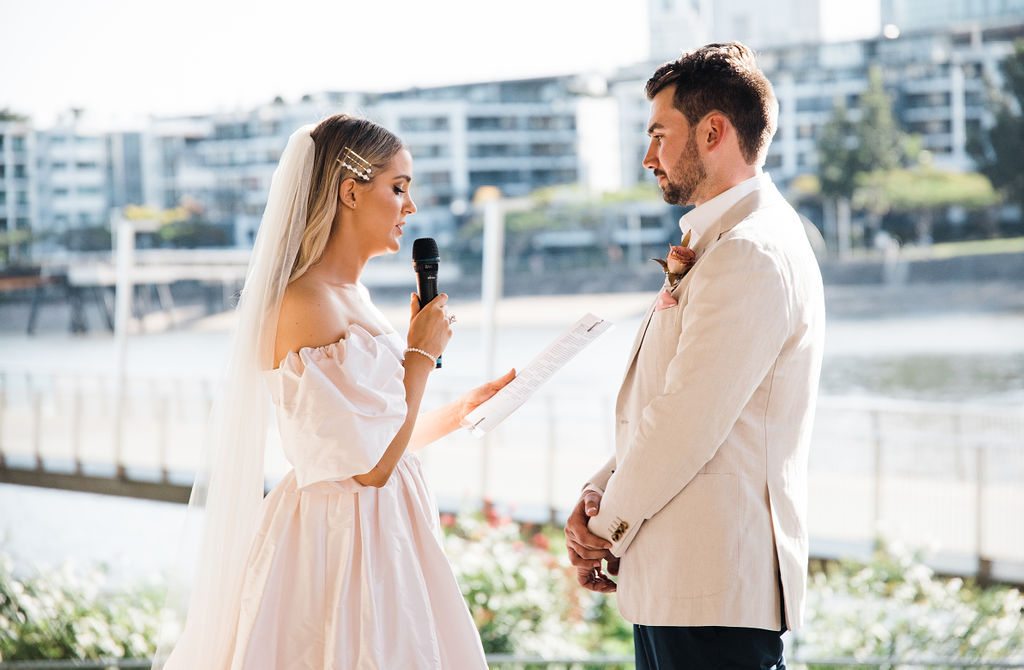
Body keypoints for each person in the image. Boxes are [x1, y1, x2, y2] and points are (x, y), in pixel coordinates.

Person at [156, 114, 514, 670]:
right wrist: (418, 354)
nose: (410, 208)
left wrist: (462, 410)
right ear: (351, 191)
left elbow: (382, 438)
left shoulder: (355, 295)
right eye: (399, 188)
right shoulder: (305, 303)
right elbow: (367, 466)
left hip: (390, 530)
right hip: (340, 542)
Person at [564, 42, 825, 669]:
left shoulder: (750, 252)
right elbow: (673, 406)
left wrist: (604, 530)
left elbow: (687, 421)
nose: (647, 156)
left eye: (659, 134)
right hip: (680, 586)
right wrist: (599, 492)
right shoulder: (723, 242)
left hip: (713, 595)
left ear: (713, 131)